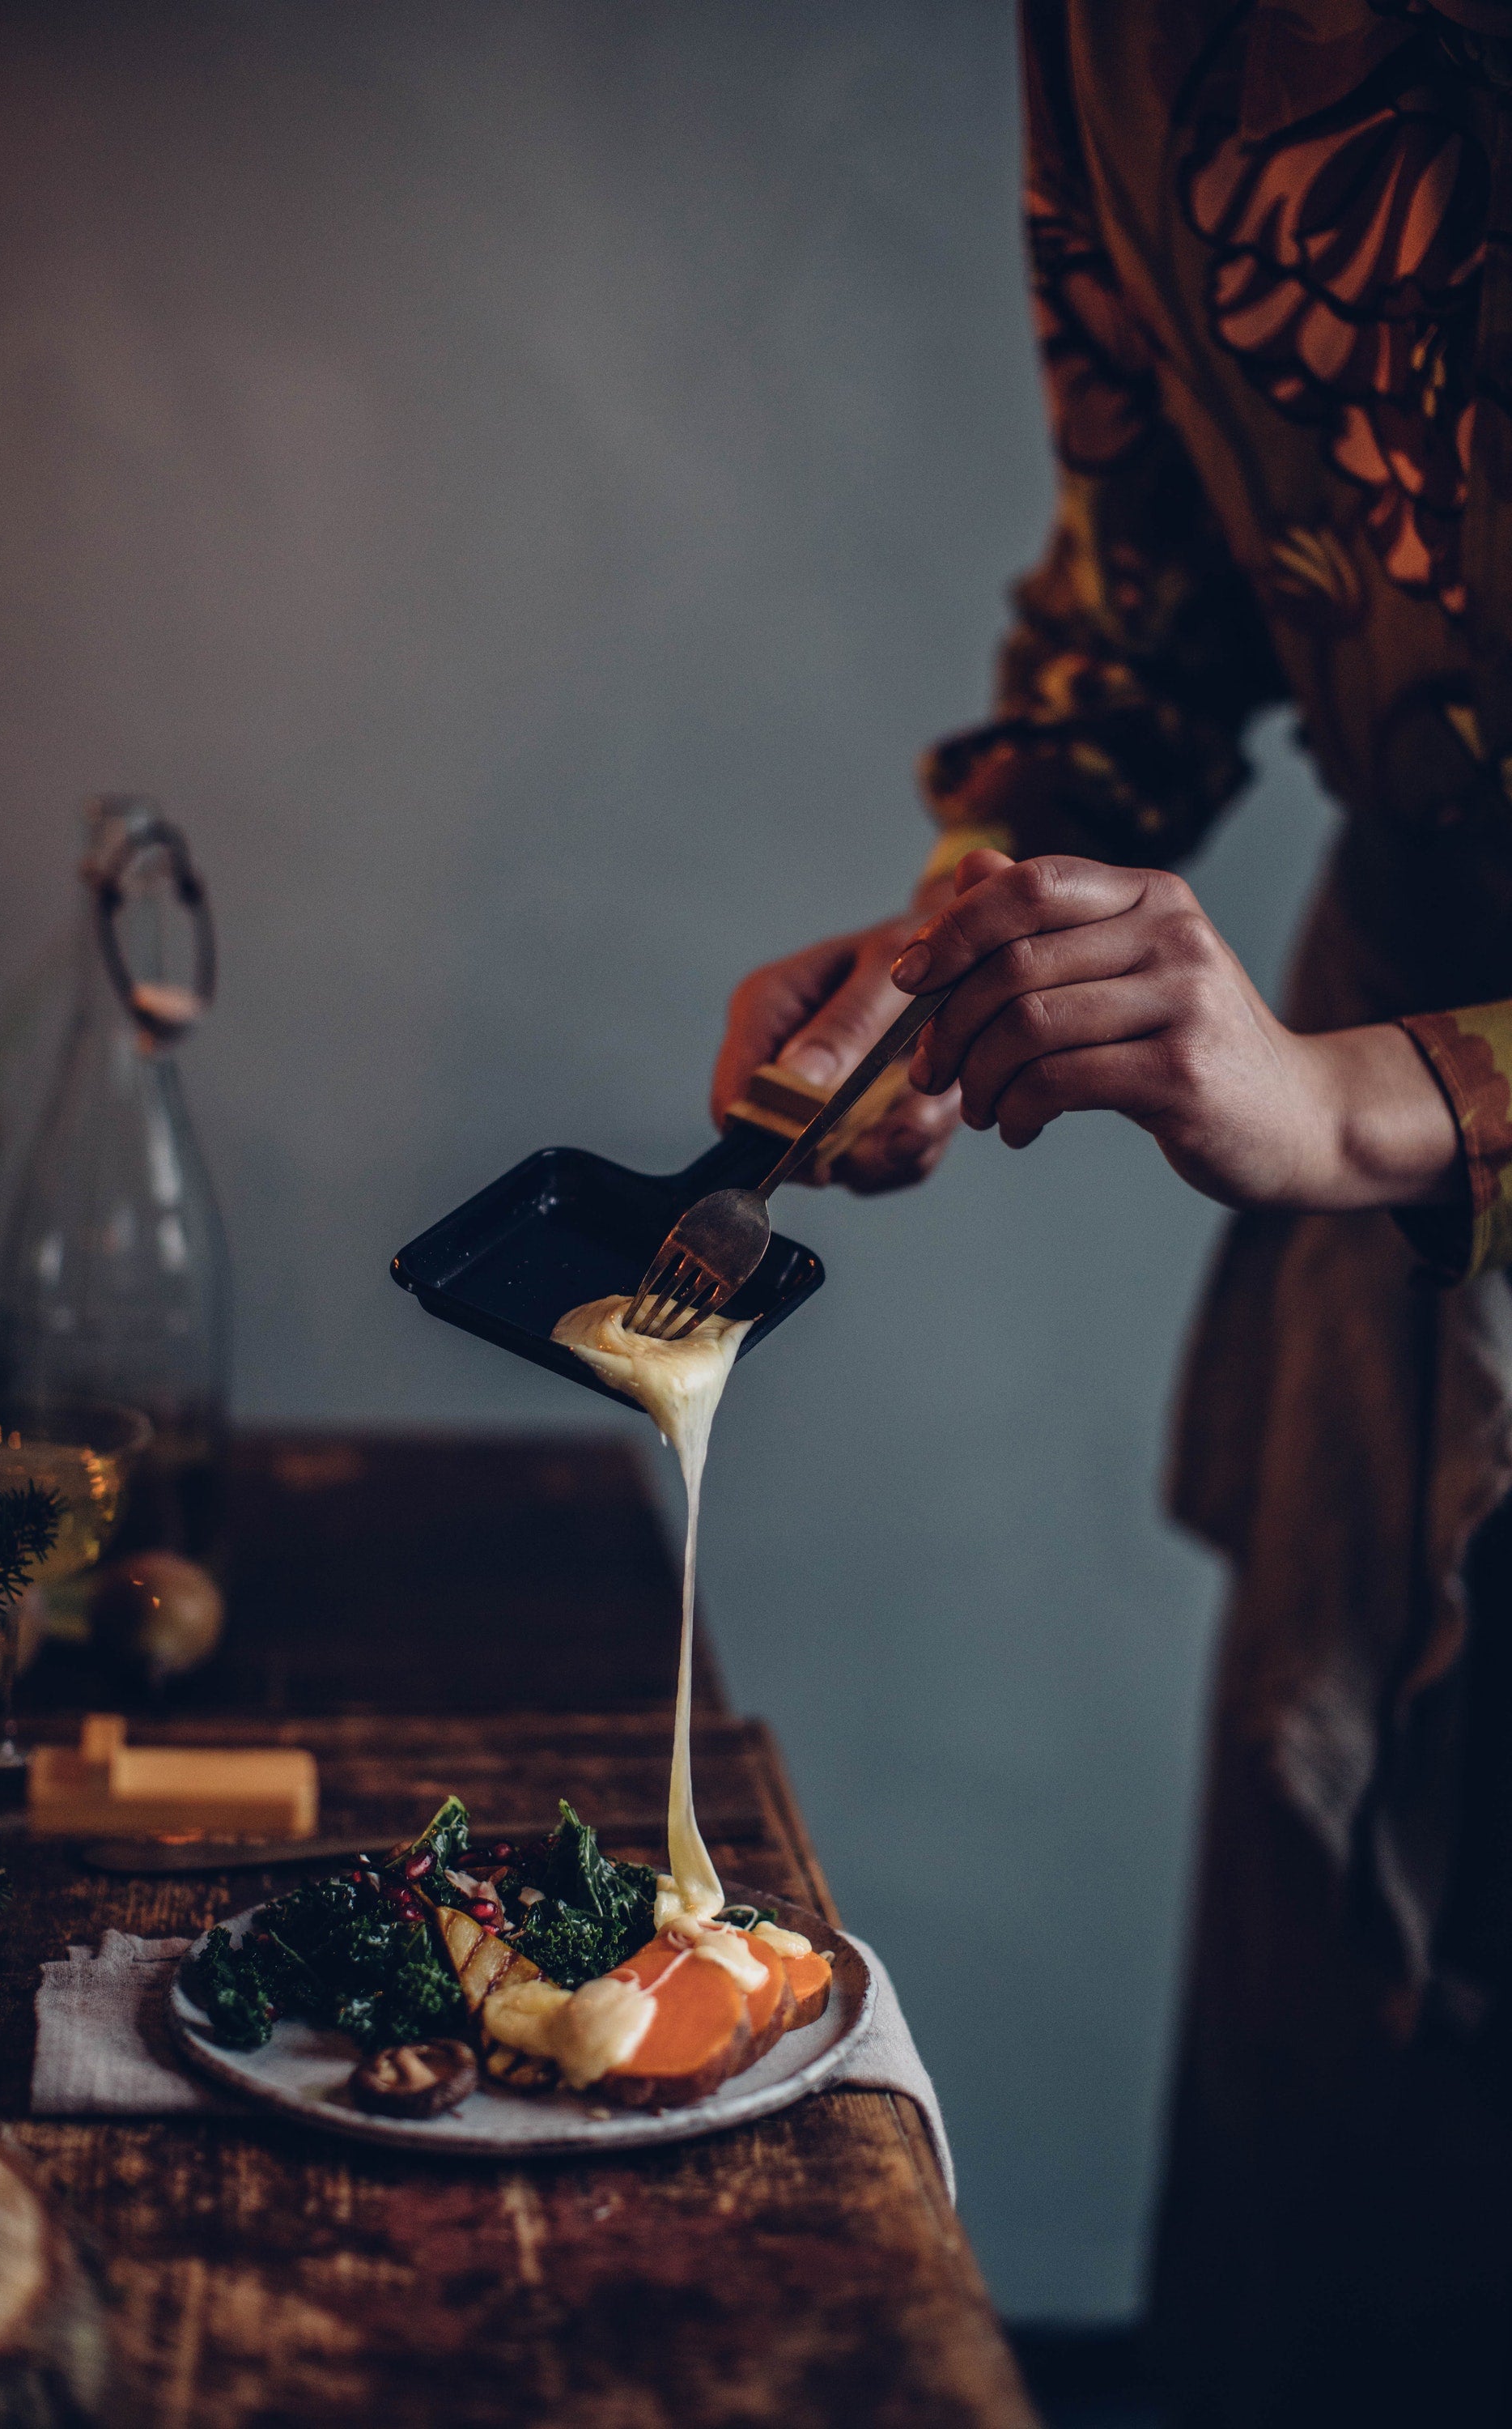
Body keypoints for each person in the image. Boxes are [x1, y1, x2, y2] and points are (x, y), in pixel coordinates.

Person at [711, 5, 1512, 2421]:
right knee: (1348, 2149)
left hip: (1393, 1108)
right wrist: (970, 919)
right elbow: (1149, 598)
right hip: (1400, 1173)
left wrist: (1372, 1104)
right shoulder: (1123, 32)